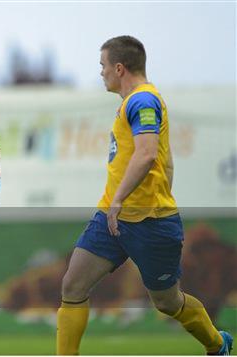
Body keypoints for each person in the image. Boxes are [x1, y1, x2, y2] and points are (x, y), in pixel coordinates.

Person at [56, 36, 233, 355]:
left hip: (151, 223)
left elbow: (148, 153)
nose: (101, 73)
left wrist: (121, 198)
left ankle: (217, 343)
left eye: (103, 66)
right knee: (72, 285)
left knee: (167, 302)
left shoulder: (144, 101)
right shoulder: (131, 103)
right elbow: (161, 159)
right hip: (111, 218)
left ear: (119, 68)